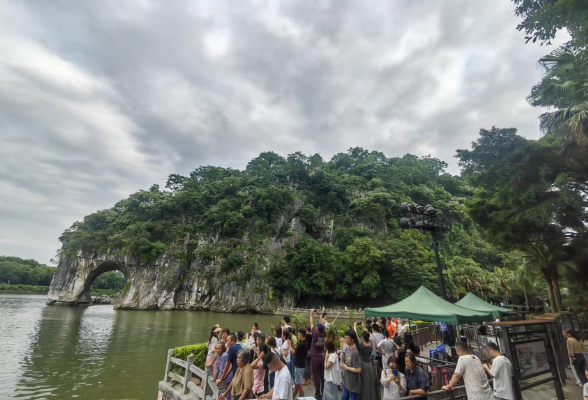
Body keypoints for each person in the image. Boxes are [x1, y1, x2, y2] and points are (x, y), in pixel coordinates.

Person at [339, 329, 361, 400]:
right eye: (345, 337)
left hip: (353, 384)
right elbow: (349, 362)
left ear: (353, 340)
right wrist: (343, 359)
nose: (346, 339)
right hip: (346, 383)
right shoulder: (347, 349)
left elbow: (359, 369)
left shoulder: (355, 353)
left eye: (348, 338)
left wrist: (346, 368)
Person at [310, 310, 327, 400]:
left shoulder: (315, 334)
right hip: (322, 357)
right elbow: (323, 325)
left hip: (315, 358)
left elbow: (311, 323)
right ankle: (323, 391)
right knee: (322, 375)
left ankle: (317, 394)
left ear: (317, 329)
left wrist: (311, 314)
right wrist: (320, 315)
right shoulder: (323, 333)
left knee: (316, 376)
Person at [289, 328, 309, 399]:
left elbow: (293, 352)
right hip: (302, 364)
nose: (298, 335)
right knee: (297, 384)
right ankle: (292, 398)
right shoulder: (305, 343)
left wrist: (290, 345)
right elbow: (297, 349)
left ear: (301, 334)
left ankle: (301, 398)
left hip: (299, 365)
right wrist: (292, 345)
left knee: (299, 384)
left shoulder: (302, 344)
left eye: (298, 334)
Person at [357, 330, 376, 400]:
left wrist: (355, 326)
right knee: (370, 382)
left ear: (362, 337)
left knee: (364, 382)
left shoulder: (361, 344)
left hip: (363, 364)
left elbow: (356, 336)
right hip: (369, 365)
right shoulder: (371, 343)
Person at [219, 334, 237, 400]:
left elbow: (227, 365)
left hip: (236, 376)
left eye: (228, 340)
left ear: (233, 341)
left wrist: (221, 378)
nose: (227, 342)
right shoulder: (239, 346)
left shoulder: (231, 348)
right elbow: (231, 366)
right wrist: (225, 376)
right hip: (236, 375)